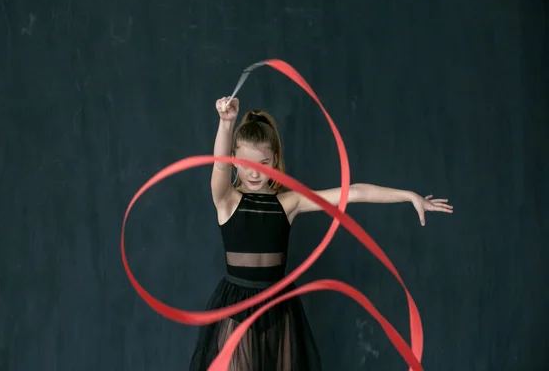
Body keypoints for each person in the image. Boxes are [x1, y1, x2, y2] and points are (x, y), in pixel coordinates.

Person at [189, 97, 453, 371]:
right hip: (237, 306)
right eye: (246, 164)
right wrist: (226, 122)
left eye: (263, 163)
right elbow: (218, 166)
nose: (254, 173)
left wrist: (408, 196)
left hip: (279, 306)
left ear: (275, 159)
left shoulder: (290, 203)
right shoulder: (226, 200)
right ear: (234, 161)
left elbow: (352, 192)